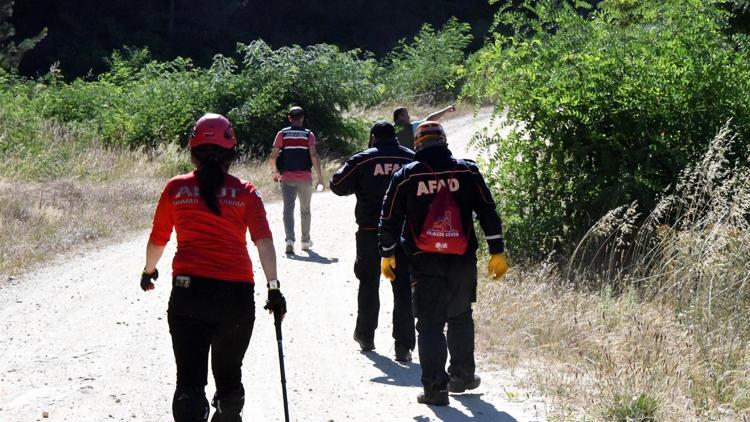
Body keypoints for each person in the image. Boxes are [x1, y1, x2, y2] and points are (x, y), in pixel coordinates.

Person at [140, 113, 287, 422]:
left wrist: (148, 271)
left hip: (188, 293)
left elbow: (158, 239)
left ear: (193, 150)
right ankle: (227, 411)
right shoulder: (246, 193)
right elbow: (264, 243)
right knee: (229, 376)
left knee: (189, 382)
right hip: (236, 297)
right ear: (231, 153)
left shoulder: (176, 188)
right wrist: (274, 288)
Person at [378, 121, 509, 406]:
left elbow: (388, 219)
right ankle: (461, 376)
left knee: (429, 324)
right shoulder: (467, 171)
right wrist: (497, 250)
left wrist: (387, 253)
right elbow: (488, 211)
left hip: (424, 261)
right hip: (461, 259)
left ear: (418, 144)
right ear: (444, 141)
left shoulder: (406, 176)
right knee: (460, 315)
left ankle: (436, 389)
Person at [330, 121, 416, 362]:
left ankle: (366, 335)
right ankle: (404, 345)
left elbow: (337, 184)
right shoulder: (411, 158)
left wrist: (360, 184)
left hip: (370, 231)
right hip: (402, 231)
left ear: (373, 138)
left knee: (369, 282)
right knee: (402, 288)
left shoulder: (363, 159)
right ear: (395, 138)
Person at [269, 106, 325, 255]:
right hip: (305, 178)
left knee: (288, 210)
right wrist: (320, 177)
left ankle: (289, 241)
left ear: (289, 118)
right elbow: (313, 155)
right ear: (302, 118)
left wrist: (275, 172)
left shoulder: (282, 133)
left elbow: (273, 156)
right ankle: (305, 242)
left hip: (287, 178)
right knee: (305, 210)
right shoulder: (308, 135)